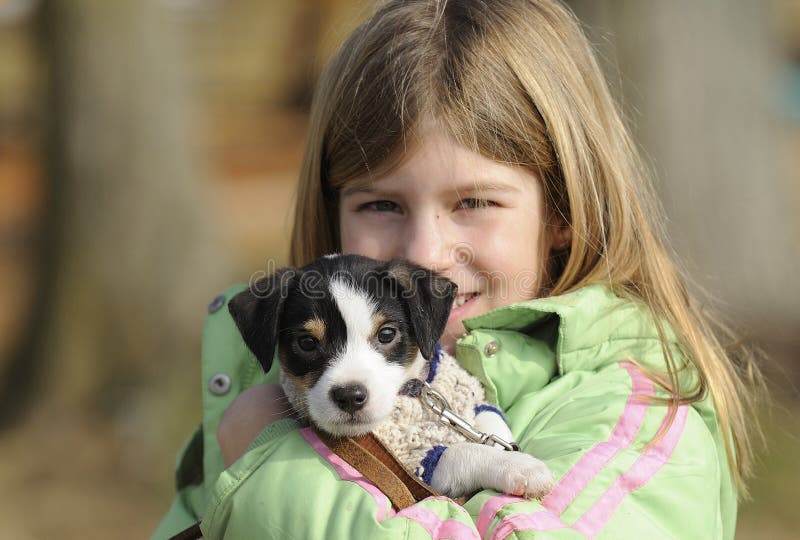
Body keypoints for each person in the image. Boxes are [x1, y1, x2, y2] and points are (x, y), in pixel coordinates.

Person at [153, 1, 763, 538]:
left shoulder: (634, 411)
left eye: (473, 202)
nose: (423, 252)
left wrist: (270, 465)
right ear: (332, 208)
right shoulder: (262, 380)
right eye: (381, 204)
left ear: (564, 213)